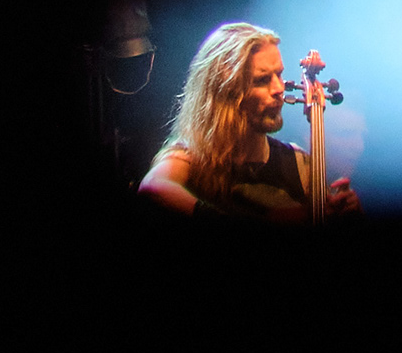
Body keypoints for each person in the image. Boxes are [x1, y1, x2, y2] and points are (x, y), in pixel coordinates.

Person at [140, 22, 361, 222]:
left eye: (279, 75)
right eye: (262, 80)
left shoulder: (299, 165)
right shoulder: (191, 157)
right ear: (227, 92)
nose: (279, 89)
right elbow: (153, 187)